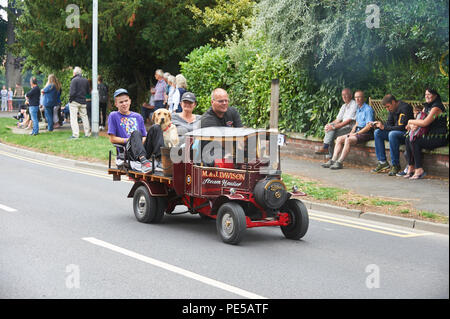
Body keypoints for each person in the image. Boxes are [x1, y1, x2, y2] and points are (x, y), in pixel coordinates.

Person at [107, 88, 164, 173]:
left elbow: (144, 136)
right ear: (116, 104)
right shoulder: (113, 115)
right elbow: (112, 139)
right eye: (121, 102)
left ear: (130, 101)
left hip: (142, 149)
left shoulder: (138, 116)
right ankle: (144, 162)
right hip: (128, 152)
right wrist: (131, 140)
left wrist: (138, 142)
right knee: (135, 133)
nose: (124, 104)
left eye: (126, 101)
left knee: (156, 127)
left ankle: (160, 160)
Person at [322, 90, 375, 169]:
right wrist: (352, 132)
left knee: (348, 140)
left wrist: (356, 133)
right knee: (339, 138)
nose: (357, 99)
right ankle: (333, 160)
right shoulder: (359, 109)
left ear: (363, 98)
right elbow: (356, 124)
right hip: (358, 131)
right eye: (356, 97)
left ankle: (340, 162)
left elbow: (368, 126)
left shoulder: (368, 109)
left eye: (359, 97)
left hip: (366, 133)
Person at [403, 88, 448, 180]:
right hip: (428, 135)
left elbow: (425, 123)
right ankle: (411, 166)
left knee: (415, 140)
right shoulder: (427, 107)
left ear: (435, 95)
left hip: (439, 137)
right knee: (408, 138)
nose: (426, 96)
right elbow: (419, 120)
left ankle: (419, 168)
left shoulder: (437, 107)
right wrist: (412, 125)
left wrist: (410, 121)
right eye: (425, 94)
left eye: (429, 94)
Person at [371, 94, 414, 176]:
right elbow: (388, 124)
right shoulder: (391, 110)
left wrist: (384, 127)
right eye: (386, 107)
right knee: (377, 132)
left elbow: (401, 127)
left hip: (406, 134)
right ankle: (382, 162)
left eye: (388, 106)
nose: (387, 109)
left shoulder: (405, 108)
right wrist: (380, 125)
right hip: (395, 133)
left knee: (392, 134)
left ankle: (395, 165)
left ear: (393, 102)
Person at [315, 88, 357, 157]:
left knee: (331, 132)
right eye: (343, 95)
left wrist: (333, 127)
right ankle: (328, 153)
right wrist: (329, 125)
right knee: (330, 129)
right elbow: (337, 120)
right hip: (343, 127)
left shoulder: (354, 104)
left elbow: (348, 121)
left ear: (351, 95)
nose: (344, 96)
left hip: (350, 128)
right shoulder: (344, 106)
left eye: (346, 95)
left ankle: (328, 154)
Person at [69, 66, 91, 139]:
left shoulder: (74, 80)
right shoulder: (85, 80)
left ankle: (75, 134)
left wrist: (70, 100)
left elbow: (72, 93)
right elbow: (88, 92)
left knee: (74, 118)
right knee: (85, 117)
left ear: (74, 73)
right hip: (83, 101)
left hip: (75, 101)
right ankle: (87, 133)